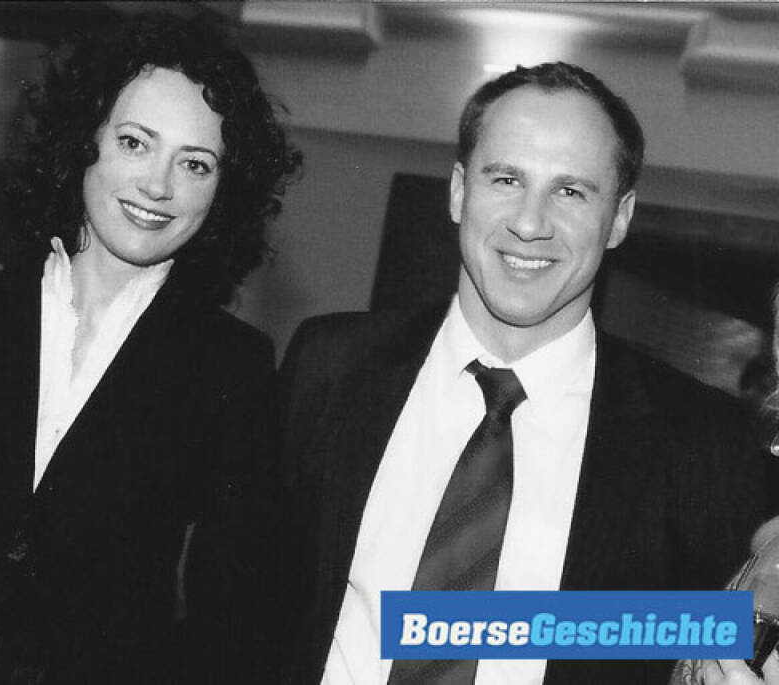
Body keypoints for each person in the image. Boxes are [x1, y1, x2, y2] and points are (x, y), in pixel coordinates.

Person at [0, 13, 301, 685]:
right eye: (135, 143)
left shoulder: (232, 367)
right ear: (86, 140)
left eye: (195, 164)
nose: (159, 185)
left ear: (222, 189)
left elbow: (231, 611)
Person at [277, 61, 777, 685]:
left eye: (571, 191)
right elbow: (243, 607)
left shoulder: (704, 441)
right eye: (507, 178)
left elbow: (719, 643)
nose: (530, 223)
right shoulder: (328, 365)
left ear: (620, 218)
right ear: (458, 191)